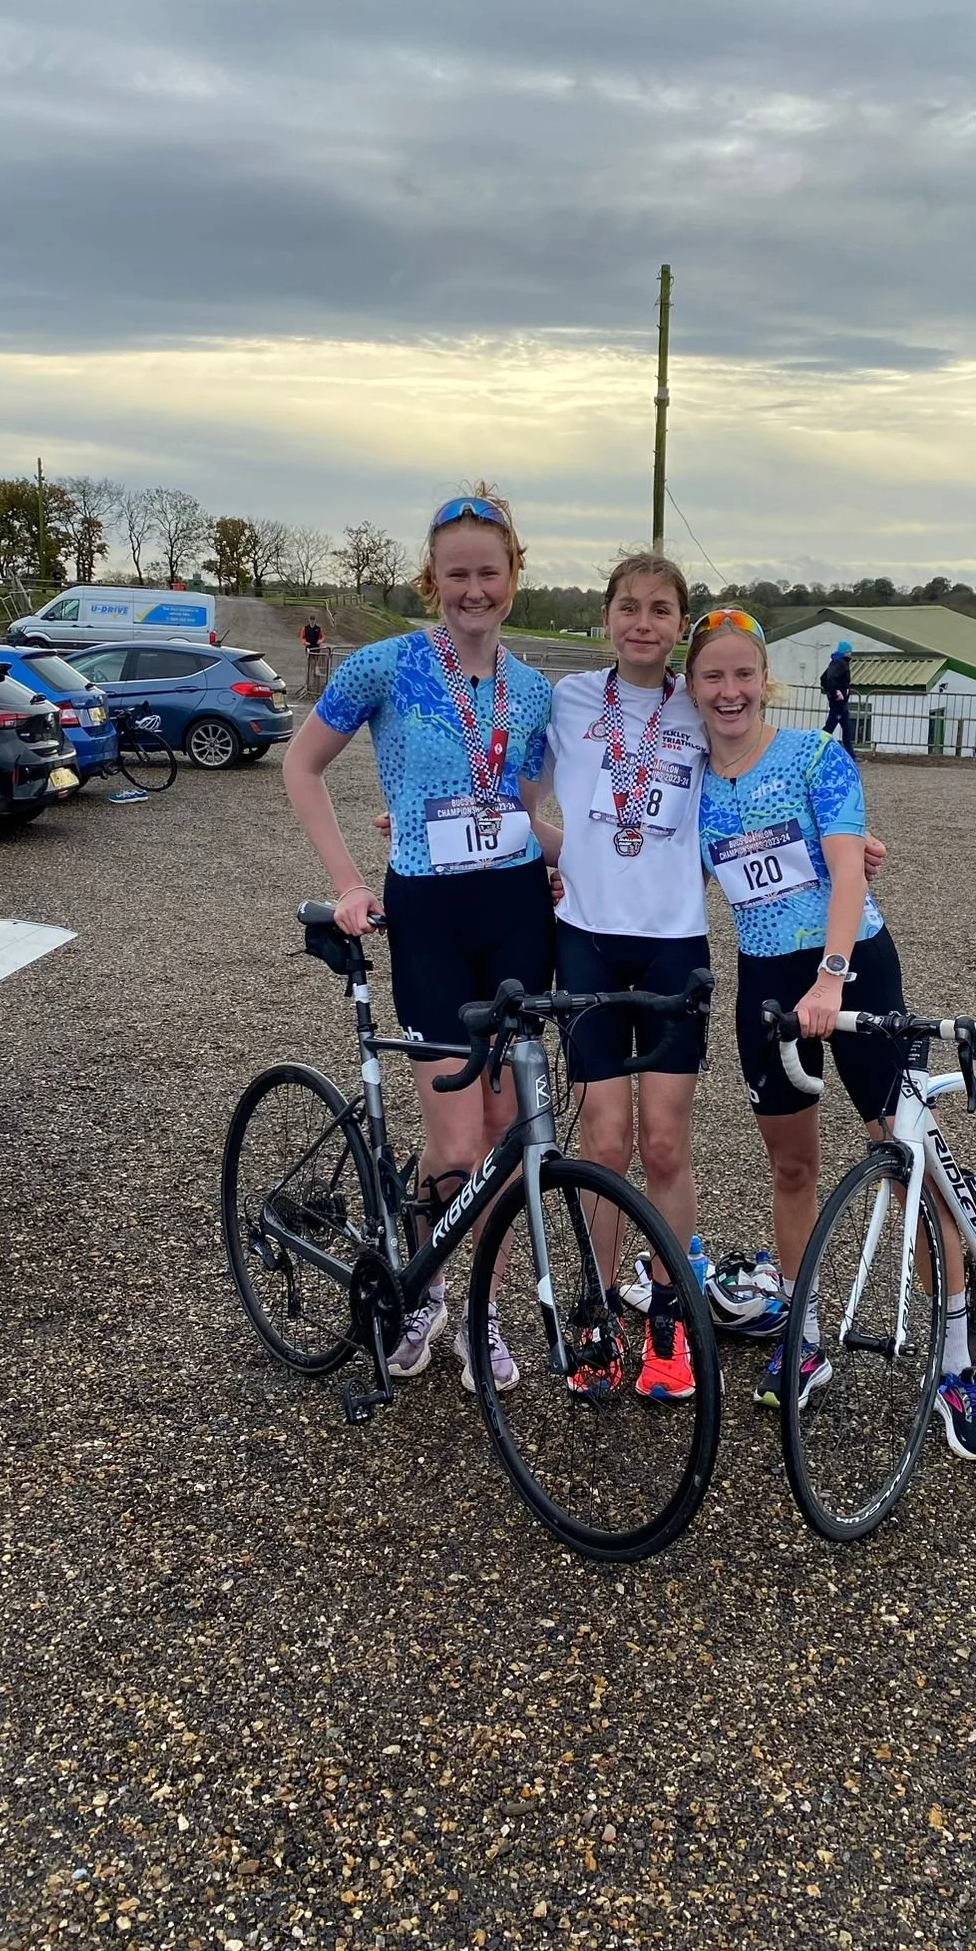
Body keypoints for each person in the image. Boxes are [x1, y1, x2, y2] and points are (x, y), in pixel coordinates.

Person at [685, 608, 976, 1455]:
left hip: (851, 963)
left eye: (742, 675)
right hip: (765, 981)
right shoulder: (690, 779)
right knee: (793, 1166)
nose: (729, 691)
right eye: (711, 676)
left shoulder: (816, 755)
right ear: (691, 687)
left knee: (904, 1163)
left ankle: (956, 1368)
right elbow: (633, 857)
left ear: (765, 683)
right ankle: (808, 1339)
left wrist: (830, 973)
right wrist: (545, 856)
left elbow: (848, 867)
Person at [280, 487, 554, 1396]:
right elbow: (301, 765)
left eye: (488, 572)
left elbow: (539, 807)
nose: (472, 589)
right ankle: (423, 1282)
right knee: (460, 1136)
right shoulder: (386, 666)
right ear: (429, 579)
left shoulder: (535, 689)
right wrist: (351, 882)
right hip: (430, 916)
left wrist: (580, 864)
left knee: (512, 1131)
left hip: (518, 912)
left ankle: (480, 1312)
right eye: (454, 574)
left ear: (514, 577)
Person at [525, 553, 711, 1400]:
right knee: (605, 1142)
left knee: (666, 1143)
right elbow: (514, 794)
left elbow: (760, 790)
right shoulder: (565, 699)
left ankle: (669, 1319)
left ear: (681, 625)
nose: (644, 622)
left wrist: (841, 847)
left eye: (661, 610)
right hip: (587, 941)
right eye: (629, 607)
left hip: (675, 943)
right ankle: (597, 1313)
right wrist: (560, 855)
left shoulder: (705, 702)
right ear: (606, 619)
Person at [821, 640, 855, 753]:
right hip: (838, 702)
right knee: (830, 727)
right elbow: (829, 679)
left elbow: (824, 678)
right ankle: (818, 745)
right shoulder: (840, 663)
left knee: (846, 727)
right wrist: (836, 692)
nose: (851, 654)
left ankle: (851, 754)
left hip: (840, 702)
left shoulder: (837, 662)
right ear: (844, 652)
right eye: (849, 651)